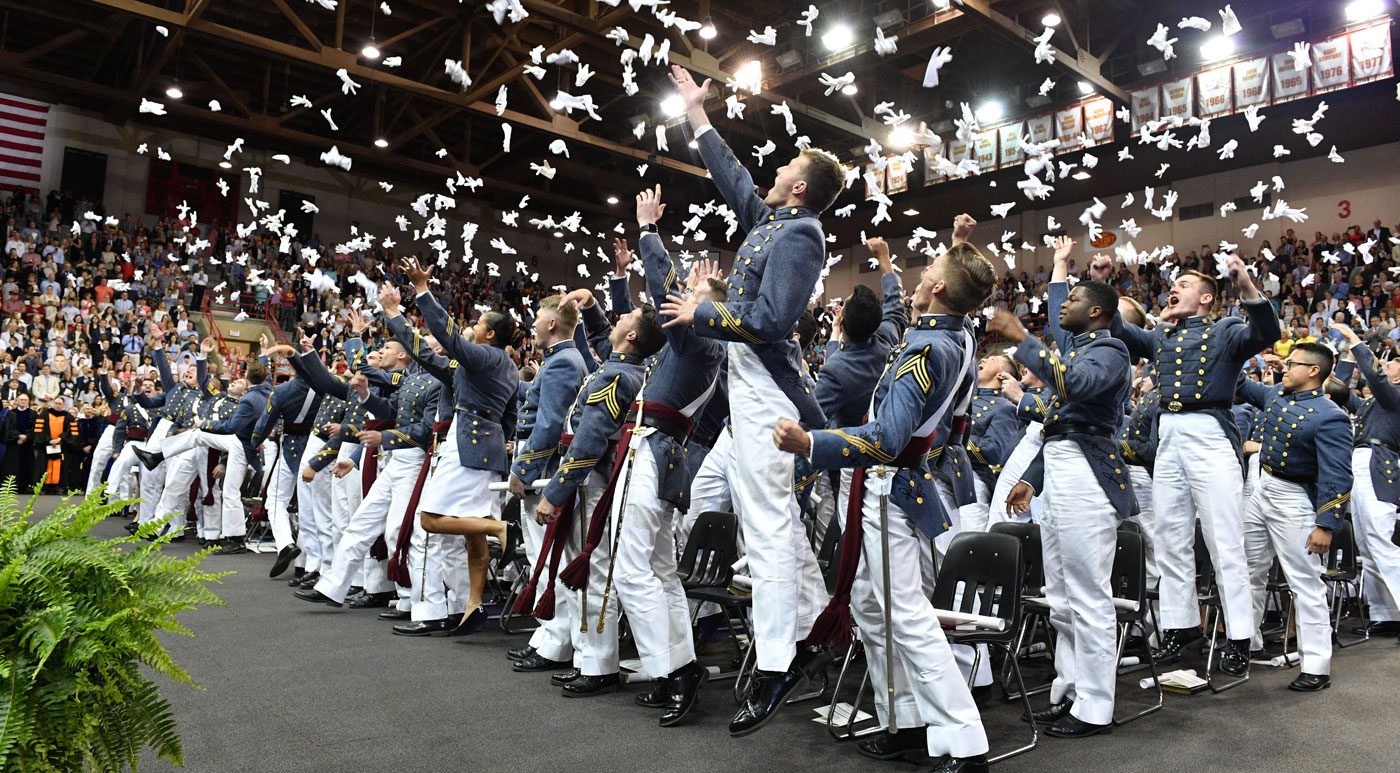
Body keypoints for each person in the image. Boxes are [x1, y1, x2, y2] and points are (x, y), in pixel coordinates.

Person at [661, 63, 846, 737]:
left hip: (769, 389)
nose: (771, 174)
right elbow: (735, 178)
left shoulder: (802, 233)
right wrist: (697, 115)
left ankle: (777, 662)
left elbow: (770, 320)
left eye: (786, 168)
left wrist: (704, 313)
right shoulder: (775, 222)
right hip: (746, 390)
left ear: (799, 186)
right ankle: (820, 625)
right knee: (775, 526)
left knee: (767, 531)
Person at [775, 238, 997, 772]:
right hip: (896, 485)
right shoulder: (958, 336)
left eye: (930, 270)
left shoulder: (926, 349)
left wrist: (814, 444)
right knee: (874, 611)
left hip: (890, 488)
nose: (921, 275)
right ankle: (907, 720)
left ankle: (965, 738)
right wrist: (894, 266)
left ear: (939, 287)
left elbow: (889, 437)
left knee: (907, 616)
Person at [1112, 255, 1280, 676]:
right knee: (1170, 538)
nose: (1175, 286)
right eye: (1174, 283)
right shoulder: (1163, 335)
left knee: (1225, 541)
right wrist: (1107, 286)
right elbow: (1118, 330)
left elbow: (1267, 331)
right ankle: (1181, 626)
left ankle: (1239, 634)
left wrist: (1244, 282)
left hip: (1209, 432)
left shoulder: (1223, 330)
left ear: (1206, 298)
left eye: (1185, 284)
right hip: (1168, 436)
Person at [601, 185, 726, 726]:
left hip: (653, 452)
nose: (684, 296)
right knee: (659, 569)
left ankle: (676, 673)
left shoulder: (699, 341)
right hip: (663, 453)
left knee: (633, 570)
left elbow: (661, 292)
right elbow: (641, 316)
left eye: (697, 292)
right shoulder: (700, 347)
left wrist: (650, 232)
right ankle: (679, 664)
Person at [996, 271, 1135, 739]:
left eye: (1072, 298)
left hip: (1087, 474)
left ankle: (1097, 706)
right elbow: (1059, 424)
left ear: (1095, 312)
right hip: (1059, 469)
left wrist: (1023, 339)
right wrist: (1032, 480)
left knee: (1088, 594)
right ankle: (1071, 688)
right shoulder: (1078, 350)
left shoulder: (1111, 351)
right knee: (1060, 597)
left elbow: (1073, 388)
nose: (1062, 303)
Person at [531, 285, 665, 697]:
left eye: (625, 319)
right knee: (583, 570)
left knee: (593, 569)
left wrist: (554, 492)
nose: (618, 319)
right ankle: (587, 655)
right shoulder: (618, 367)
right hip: (589, 479)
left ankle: (599, 663)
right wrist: (590, 308)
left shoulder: (618, 374)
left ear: (632, 337)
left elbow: (588, 441)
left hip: (592, 481)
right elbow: (598, 352)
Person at [387, 259, 520, 636]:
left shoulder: (485, 357)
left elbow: (447, 340)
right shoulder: (500, 365)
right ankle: (473, 605)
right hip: (487, 444)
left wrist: (423, 291)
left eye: (479, 324)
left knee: (429, 520)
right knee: (471, 537)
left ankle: (500, 527)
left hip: (467, 441)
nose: (472, 327)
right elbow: (430, 358)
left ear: (491, 335)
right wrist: (395, 317)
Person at [1235, 342, 1352, 691]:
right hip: (1262, 488)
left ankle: (1317, 664)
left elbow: (1338, 475)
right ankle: (1246, 641)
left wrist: (1326, 525)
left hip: (1295, 497)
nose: (1284, 368)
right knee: (1248, 569)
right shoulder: (1276, 396)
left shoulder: (1330, 416)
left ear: (1313, 371)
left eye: (1292, 363)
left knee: (1305, 583)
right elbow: (1239, 385)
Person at [506, 293, 588, 673]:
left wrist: (523, 471)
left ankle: (556, 642)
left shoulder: (561, 364)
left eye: (538, 319)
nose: (534, 325)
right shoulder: (561, 360)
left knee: (548, 555)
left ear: (553, 324)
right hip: (543, 467)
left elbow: (550, 425)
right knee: (545, 554)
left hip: (543, 471)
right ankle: (547, 634)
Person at [1330, 322, 1400, 640]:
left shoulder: (1394, 396)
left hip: (1379, 463)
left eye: (1393, 359)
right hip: (1360, 463)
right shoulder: (1376, 401)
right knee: (1367, 547)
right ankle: (1386, 614)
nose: (1387, 362)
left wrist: (1356, 341)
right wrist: (1344, 358)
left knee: (1382, 543)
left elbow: (1376, 378)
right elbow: (1342, 395)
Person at [251, 347, 323, 579]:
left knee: (275, 500)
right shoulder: (326, 386)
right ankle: (305, 564)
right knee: (308, 507)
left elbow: (266, 421)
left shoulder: (283, 391)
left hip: (291, 446)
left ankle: (285, 544)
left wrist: (255, 440)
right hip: (318, 446)